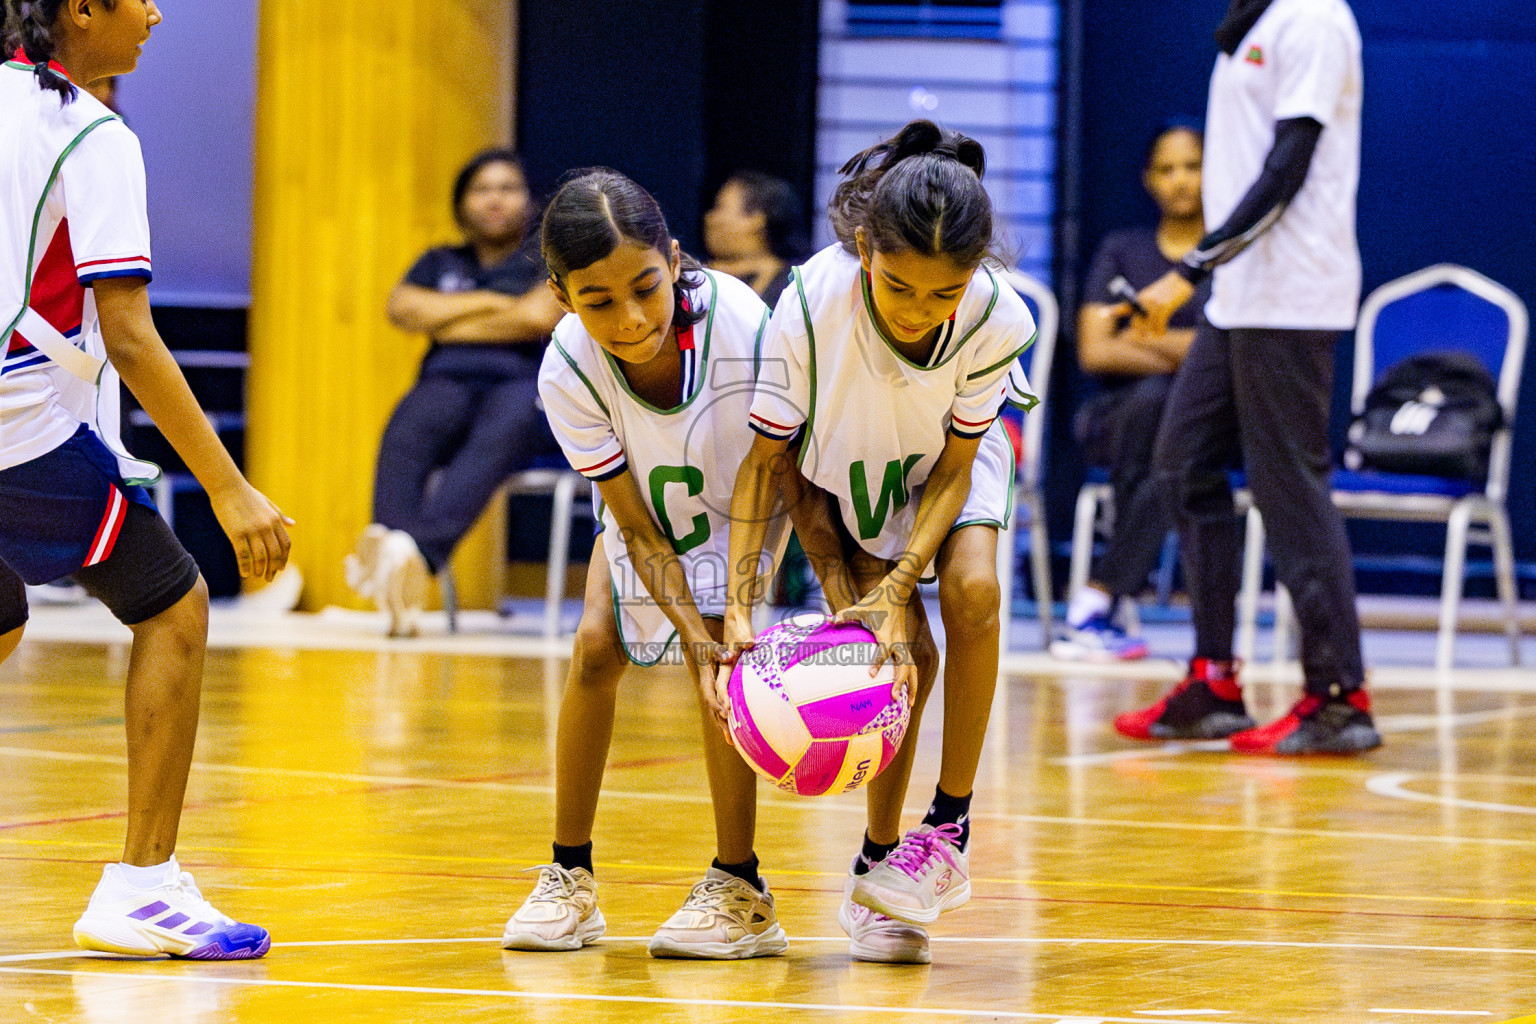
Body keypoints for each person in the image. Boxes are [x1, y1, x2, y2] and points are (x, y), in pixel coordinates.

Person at [1, 0, 290, 958]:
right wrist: (230, 488)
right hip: (17, 432)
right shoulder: (90, 130)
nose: (158, 12)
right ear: (80, 10)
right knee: (173, 605)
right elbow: (127, 330)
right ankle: (145, 888)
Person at [726, 120, 1037, 955]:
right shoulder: (808, 301)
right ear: (865, 249)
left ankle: (949, 829)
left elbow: (958, 464)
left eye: (944, 293)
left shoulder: (996, 315)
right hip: (849, 459)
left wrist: (902, 583)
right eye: (900, 287)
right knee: (903, 656)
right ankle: (876, 859)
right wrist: (744, 603)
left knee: (971, 593)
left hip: (945, 459)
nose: (918, 312)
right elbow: (771, 463)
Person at [502, 169, 796, 959]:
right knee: (597, 646)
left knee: (725, 656)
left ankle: (742, 885)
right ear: (563, 297)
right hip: (651, 515)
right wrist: (696, 634)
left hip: (751, 500)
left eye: (647, 287)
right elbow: (631, 523)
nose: (631, 319)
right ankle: (569, 875)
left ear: (674, 260)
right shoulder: (567, 366)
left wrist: (732, 610)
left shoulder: (742, 321)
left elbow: (771, 473)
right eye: (599, 302)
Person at [1117, 0, 1381, 754]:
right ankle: (1214, 679)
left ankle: (1339, 696)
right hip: (1242, 295)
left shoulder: (1314, 18)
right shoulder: (1252, 26)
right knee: (1182, 464)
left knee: (1289, 486)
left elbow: (1288, 168)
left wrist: (1188, 269)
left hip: (1292, 293)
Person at [345, 149, 563, 636]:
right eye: (482, 189)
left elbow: (536, 318)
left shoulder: (546, 259)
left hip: (520, 381)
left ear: (529, 201)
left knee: (501, 432)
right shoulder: (438, 260)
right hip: (445, 378)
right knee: (408, 426)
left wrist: (447, 316)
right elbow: (402, 309)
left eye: (508, 188)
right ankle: (393, 555)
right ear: (462, 202)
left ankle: (415, 554)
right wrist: (494, 303)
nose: (495, 200)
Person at [1052, 124, 1208, 662]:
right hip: (1117, 414)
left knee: (1169, 418)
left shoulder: (1221, 260)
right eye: (1167, 169)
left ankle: (1096, 602)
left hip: (1205, 420)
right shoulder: (1123, 250)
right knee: (1156, 408)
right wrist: (1182, 347)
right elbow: (1095, 351)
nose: (1181, 180)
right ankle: (1101, 602)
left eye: (1193, 165)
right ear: (1149, 180)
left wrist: (1147, 334)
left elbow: (1221, 355)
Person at [703, 170, 811, 309]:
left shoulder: (795, 286)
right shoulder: (700, 279)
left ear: (757, 219)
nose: (710, 218)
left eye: (720, 208)